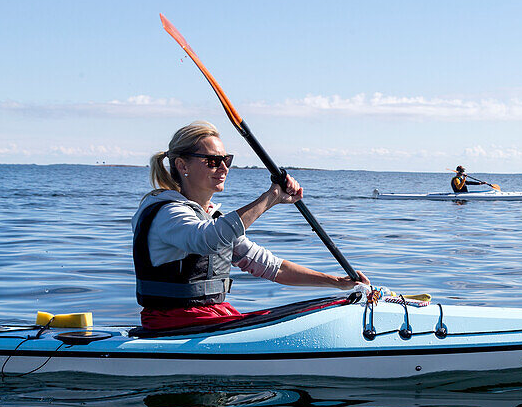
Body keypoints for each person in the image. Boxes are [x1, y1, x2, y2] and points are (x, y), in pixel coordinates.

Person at [133, 121, 367, 330]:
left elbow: (272, 267)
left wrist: (337, 282)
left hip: (208, 320)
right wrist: (271, 197)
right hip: (173, 325)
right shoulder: (168, 212)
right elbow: (207, 240)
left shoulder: (210, 218)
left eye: (226, 160)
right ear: (182, 165)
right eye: (213, 161)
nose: (224, 168)